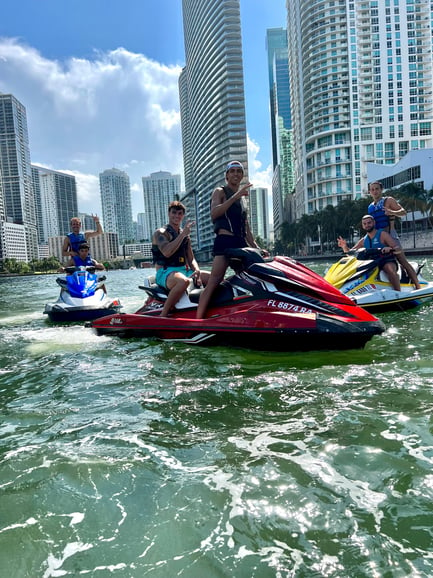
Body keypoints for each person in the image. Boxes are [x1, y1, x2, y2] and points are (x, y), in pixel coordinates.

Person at [196, 160, 266, 319]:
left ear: (242, 175)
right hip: (225, 242)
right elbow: (214, 214)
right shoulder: (220, 192)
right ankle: (198, 319)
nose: (236, 174)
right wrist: (235, 196)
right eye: (232, 171)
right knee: (215, 280)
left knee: (252, 278)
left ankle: (252, 313)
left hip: (241, 244)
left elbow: (246, 227)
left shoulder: (243, 199)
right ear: (227, 175)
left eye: (239, 171)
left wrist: (256, 247)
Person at [152, 201, 210, 317]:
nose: (177, 216)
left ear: (183, 216)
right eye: (174, 213)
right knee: (183, 281)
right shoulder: (160, 233)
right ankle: (163, 315)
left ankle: (211, 307)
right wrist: (182, 234)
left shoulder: (185, 235)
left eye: (180, 213)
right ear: (169, 214)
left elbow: (191, 258)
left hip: (183, 270)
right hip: (165, 272)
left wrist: (196, 270)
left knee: (214, 278)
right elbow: (167, 252)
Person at [367, 181, 420, 289]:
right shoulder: (370, 207)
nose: (375, 191)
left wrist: (392, 212)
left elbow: (403, 212)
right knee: (381, 263)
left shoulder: (388, 200)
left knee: (402, 260)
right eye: (372, 189)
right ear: (370, 192)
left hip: (390, 235)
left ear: (381, 190)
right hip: (379, 239)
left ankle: (418, 287)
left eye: (377, 189)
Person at [337, 215, 401, 291]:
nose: (367, 225)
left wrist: (389, 248)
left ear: (374, 223)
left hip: (386, 260)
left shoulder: (383, 234)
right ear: (363, 226)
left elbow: (397, 248)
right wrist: (344, 246)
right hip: (372, 263)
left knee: (389, 268)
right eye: (365, 224)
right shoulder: (363, 240)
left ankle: (398, 291)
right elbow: (351, 253)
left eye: (369, 223)